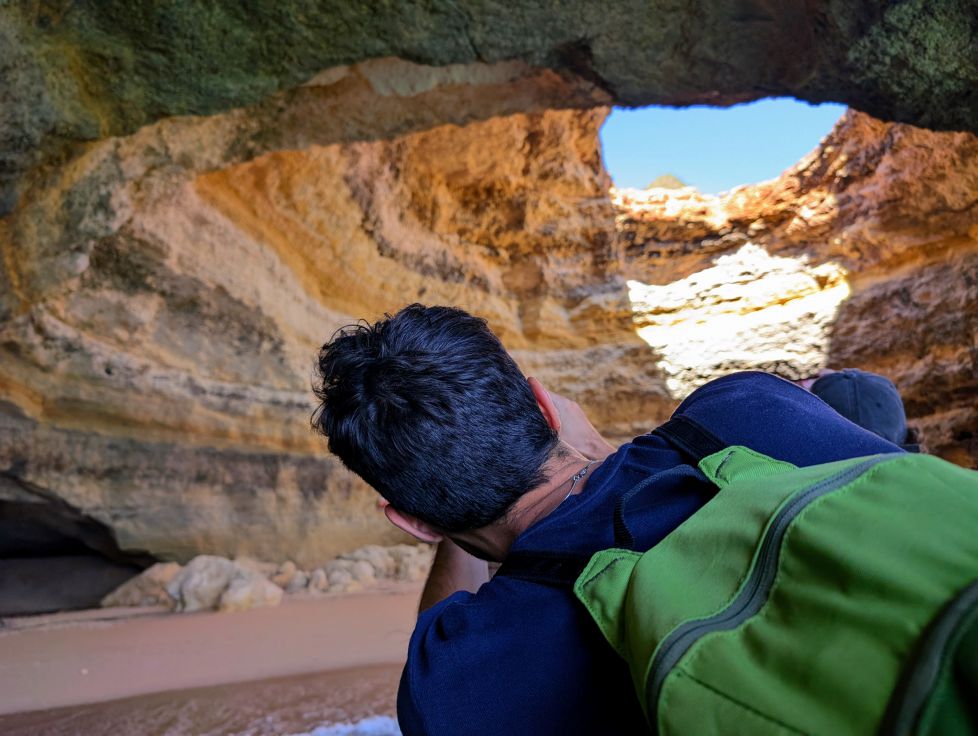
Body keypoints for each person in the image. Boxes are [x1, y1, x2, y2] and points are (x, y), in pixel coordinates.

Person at [312, 304, 904, 735]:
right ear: (545, 407)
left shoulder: (452, 681)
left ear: (412, 523)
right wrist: (596, 457)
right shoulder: (745, 410)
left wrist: (455, 514)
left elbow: (439, 633)